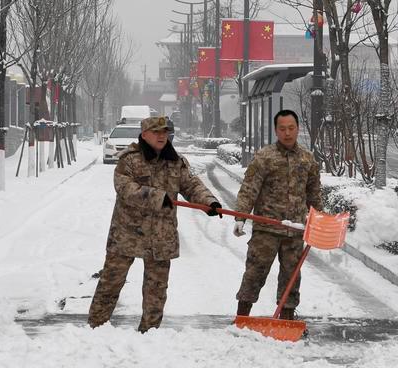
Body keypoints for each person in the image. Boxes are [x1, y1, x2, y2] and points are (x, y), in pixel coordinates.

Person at [88, 116, 223, 333]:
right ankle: (95, 327)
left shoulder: (175, 161)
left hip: (161, 235)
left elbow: (192, 185)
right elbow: (125, 189)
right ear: (144, 135)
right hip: (127, 233)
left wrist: (209, 202)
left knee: (156, 288)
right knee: (111, 282)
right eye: (156, 131)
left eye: (165, 131)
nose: (162, 136)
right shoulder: (129, 160)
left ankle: (149, 332)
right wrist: (156, 196)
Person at [233, 109, 322, 320]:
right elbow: (249, 189)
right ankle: (242, 316)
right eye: (282, 129)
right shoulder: (264, 157)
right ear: (276, 130)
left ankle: (287, 318)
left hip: (295, 230)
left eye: (291, 128)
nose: (287, 133)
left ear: (298, 129)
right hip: (267, 229)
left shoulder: (307, 159)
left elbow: (314, 193)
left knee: (291, 276)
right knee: (255, 273)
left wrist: (318, 220)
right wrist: (240, 217)